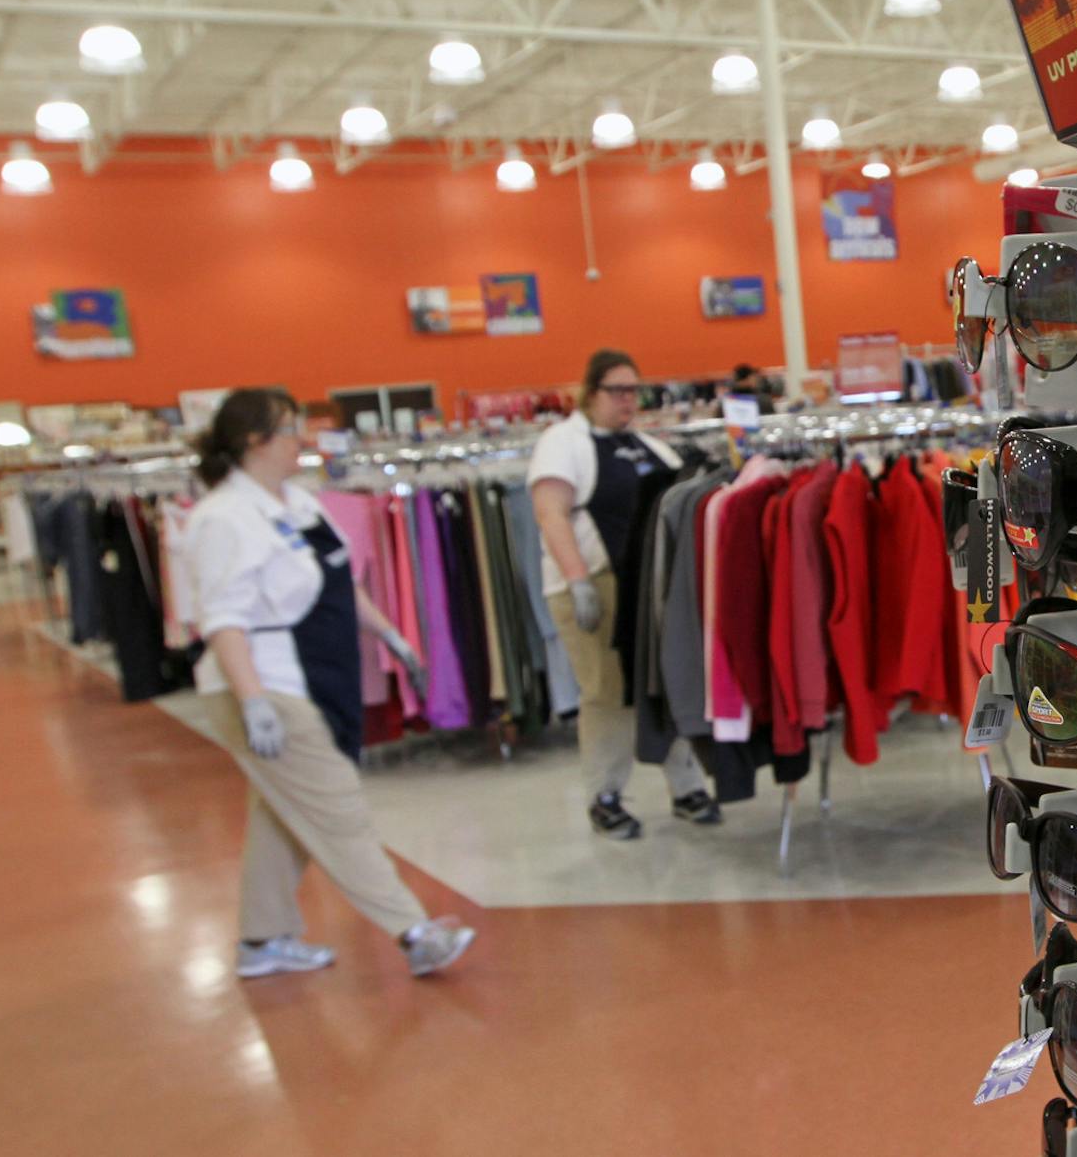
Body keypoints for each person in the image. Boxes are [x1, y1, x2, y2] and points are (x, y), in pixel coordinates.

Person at [185, 388, 476, 979]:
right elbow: (222, 620)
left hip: (317, 677)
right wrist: (255, 703)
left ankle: (261, 940)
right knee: (337, 808)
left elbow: (340, 584)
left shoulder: (296, 502)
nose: (305, 440)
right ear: (253, 441)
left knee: (283, 813)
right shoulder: (222, 518)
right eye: (292, 429)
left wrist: (392, 637)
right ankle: (413, 931)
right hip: (266, 685)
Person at [529, 349, 717, 839]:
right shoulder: (561, 443)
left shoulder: (648, 444)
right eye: (617, 391)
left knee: (666, 683)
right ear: (591, 394)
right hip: (595, 586)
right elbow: (551, 514)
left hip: (646, 590)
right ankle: (604, 796)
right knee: (606, 696)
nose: (627, 400)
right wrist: (577, 582)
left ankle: (687, 786)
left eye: (634, 391)